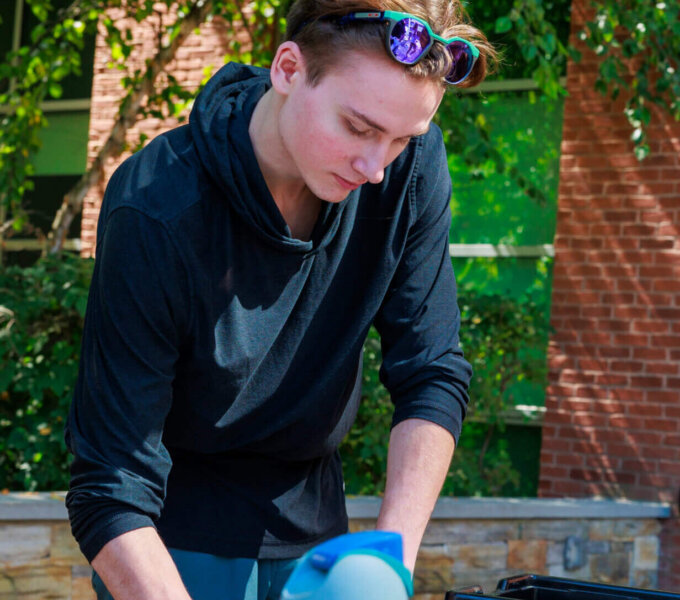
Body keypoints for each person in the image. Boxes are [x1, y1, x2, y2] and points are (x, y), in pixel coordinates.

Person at [64, 1, 495, 598]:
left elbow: (431, 371)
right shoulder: (157, 206)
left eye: (402, 137)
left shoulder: (410, 168)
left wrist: (390, 565)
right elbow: (109, 482)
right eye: (358, 127)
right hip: (164, 549)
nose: (376, 168)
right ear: (289, 70)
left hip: (320, 543)